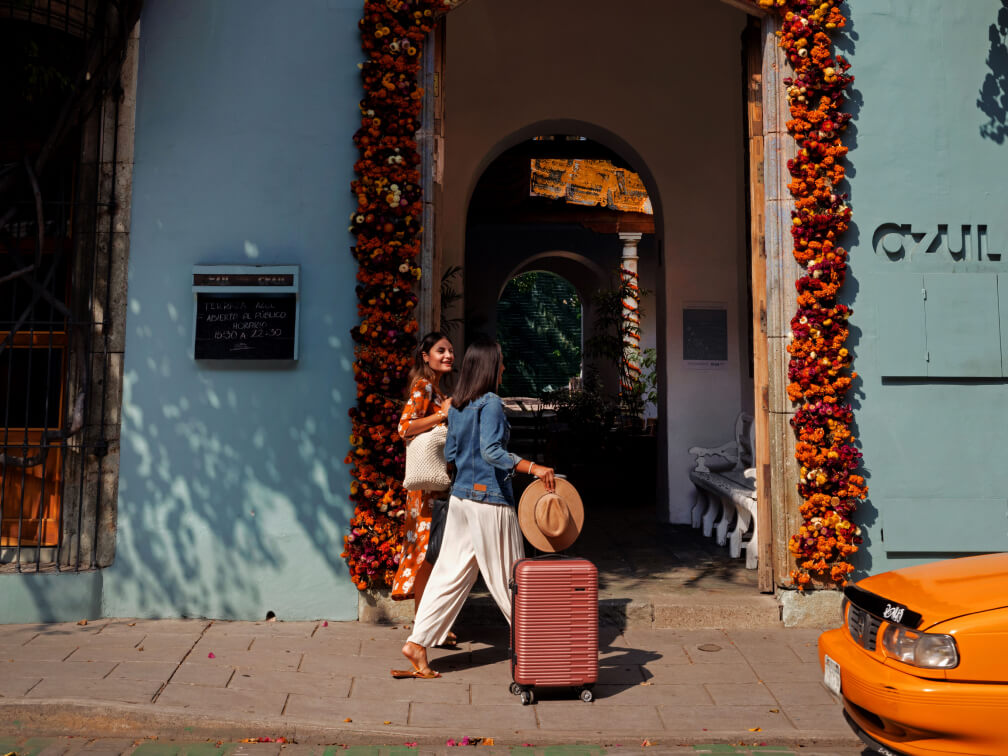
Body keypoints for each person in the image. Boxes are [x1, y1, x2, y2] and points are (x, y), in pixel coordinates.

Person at [393, 336, 556, 679]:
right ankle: (542, 650)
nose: (504, 367)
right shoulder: (491, 403)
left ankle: (417, 643)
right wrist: (534, 468)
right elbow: (493, 452)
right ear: (489, 367)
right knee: (510, 577)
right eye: (501, 361)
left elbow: (451, 454)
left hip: (460, 499)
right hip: (489, 501)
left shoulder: (458, 405)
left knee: (449, 574)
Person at [391, 332, 455, 623]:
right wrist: (442, 416)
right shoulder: (423, 387)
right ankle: (423, 626)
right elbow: (405, 428)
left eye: (451, 351)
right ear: (425, 356)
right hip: (424, 491)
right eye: (441, 350)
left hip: (433, 486)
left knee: (433, 555)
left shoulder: (437, 390)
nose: (448, 355)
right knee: (426, 556)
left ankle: (429, 624)